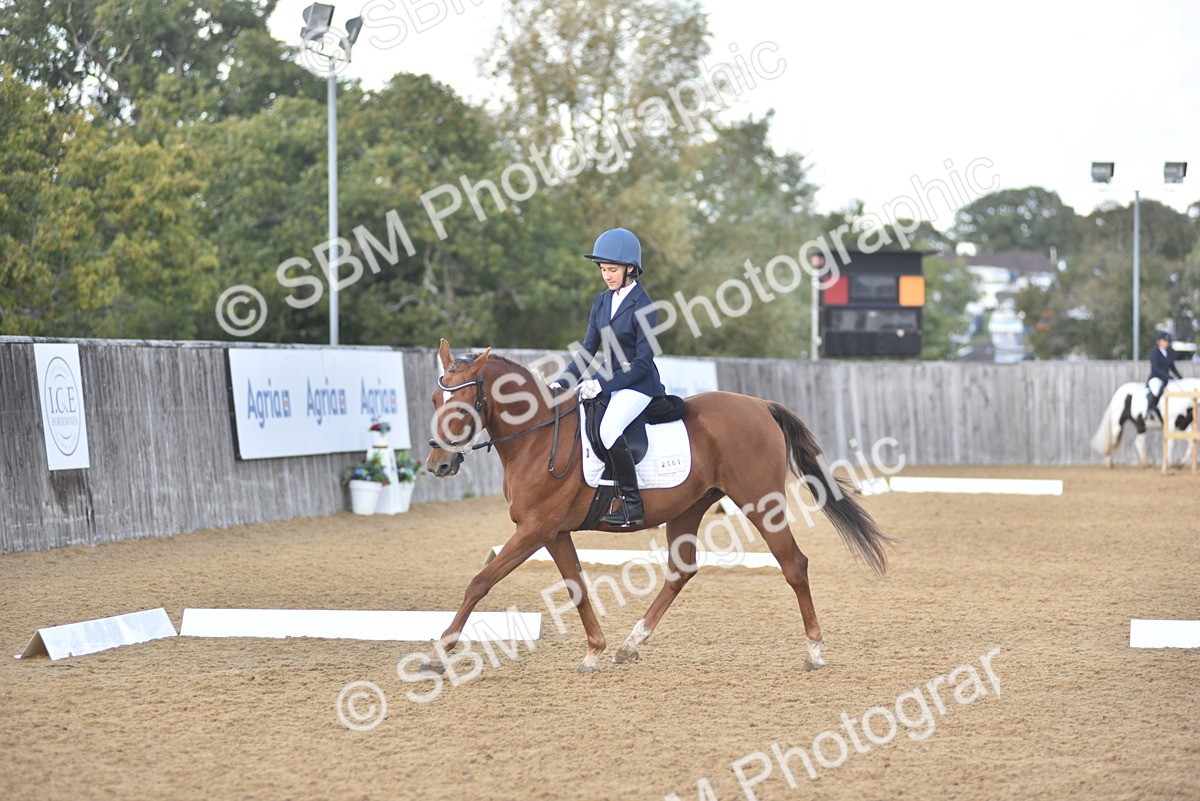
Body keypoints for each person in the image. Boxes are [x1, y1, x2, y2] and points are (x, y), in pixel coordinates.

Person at [550, 228, 665, 527]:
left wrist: (601, 384)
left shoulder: (645, 305)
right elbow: (588, 349)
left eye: (612, 270)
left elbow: (643, 362)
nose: (607, 276)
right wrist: (563, 381)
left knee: (609, 428)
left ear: (630, 269)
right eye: (603, 270)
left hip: (639, 384)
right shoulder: (601, 301)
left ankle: (632, 503)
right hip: (610, 380)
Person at [1146, 330, 1182, 421]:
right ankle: (1150, 410)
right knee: (1156, 389)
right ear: (1158, 341)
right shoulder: (1155, 352)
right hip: (1156, 377)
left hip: (1166, 379)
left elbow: (1173, 368)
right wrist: (1166, 375)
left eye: (1167, 341)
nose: (1166, 342)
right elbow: (1155, 368)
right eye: (1164, 340)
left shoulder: (1168, 354)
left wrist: (1180, 378)